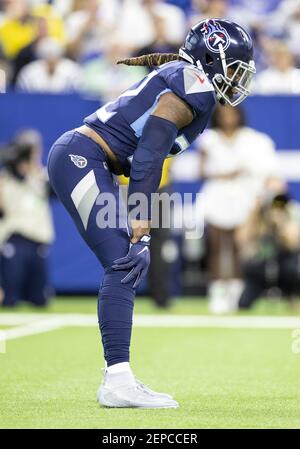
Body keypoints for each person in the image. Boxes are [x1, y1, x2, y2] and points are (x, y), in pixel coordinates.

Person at [47, 19, 256, 408]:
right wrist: (141, 227)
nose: (237, 77)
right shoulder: (194, 86)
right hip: (83, 158)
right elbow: (148, 156)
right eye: (234, 67)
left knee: (129, 262)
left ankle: (119, 378)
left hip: (97, 163)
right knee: (125, 261)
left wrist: (145, 224)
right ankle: (117, 380)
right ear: (212, 58)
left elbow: (146, 159)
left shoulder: (188, 78)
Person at [197, 105, 280, 314]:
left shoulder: (250, 139)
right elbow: (202, 171)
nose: (228, 118)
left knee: (237, 247)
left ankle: (235, 292)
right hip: (216, 195)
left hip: (242, 196)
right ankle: (217, 292)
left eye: (232, 114)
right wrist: (225, 174)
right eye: (223, 114)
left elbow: (262, 169)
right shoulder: (209, 139)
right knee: (216, 245)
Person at [0, 129, 54, 307]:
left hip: (37, 242)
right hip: (14, 240)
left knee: (40, 300)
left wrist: (34, 169)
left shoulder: (41, 177)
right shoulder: (6, 178)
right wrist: (16, 164)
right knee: (9, 300)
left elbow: (53, 191)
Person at [237, 192, 300, 309]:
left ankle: (292, 298)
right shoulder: (258, 222)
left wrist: (280, 224)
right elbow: (241, 239)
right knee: (243, 304)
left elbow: (292, 243)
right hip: (259, 273)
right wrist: (255, 215)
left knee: (292, 270)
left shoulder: (290, 218)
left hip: (284, 274)